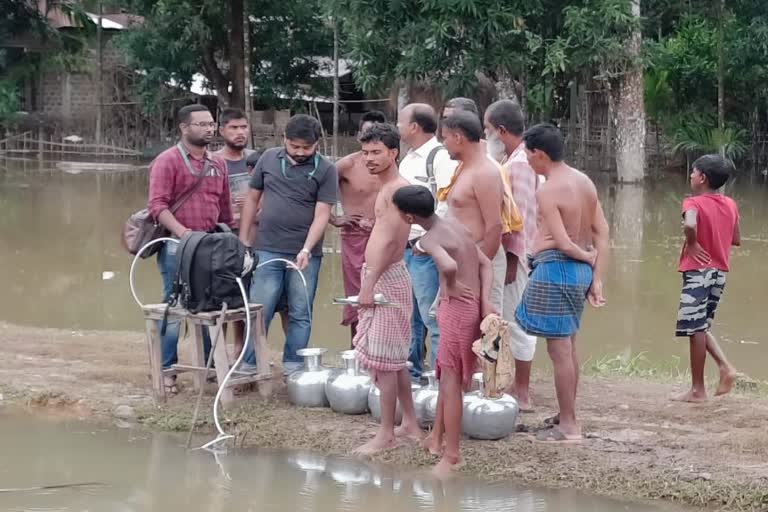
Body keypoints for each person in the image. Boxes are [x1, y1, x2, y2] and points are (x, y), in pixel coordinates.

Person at [514, 123, 609, 443]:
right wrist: (596, 278)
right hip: (577, 273)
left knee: (559, 351)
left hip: (558, 269)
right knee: (568, 346)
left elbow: (565, 243)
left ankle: (568, 424)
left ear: (539, 154)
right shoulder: (584, 181)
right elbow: (603, 233)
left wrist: (586, 258)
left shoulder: (548, 189)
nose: (526, 161)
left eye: (527, 155)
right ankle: (566, 414)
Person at [392, 185, 493, 476]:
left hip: (456, 310)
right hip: (471, 304)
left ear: (408, 217)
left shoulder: (431, 237)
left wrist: (449, 284)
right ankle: (436, 439)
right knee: (444, 373)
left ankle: (452, 455)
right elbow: (484, 263)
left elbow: (448, 265)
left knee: (451, 382)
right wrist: (485, 301)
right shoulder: (455, 225)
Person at [238, 114, 337, 375]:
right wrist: (243, 240)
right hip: (267, 248)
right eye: (295, 146)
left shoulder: (326, 170)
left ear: (317, 143)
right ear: (284, 140)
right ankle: (250, 363)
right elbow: (251, 199)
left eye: (307, 147)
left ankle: (294, 367)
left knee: (300, 311)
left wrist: (306, 249)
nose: (301, 152)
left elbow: (323, 214)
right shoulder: (268, 159)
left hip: (306, 254)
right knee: (260, 309)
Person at [147, 104, 233, 394]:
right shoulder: (167, 161)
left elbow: (224, 208)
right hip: (176, 247)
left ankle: (210, 367)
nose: (209, 128)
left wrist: (229, 239)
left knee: (210, 304)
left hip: (211, 247)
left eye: (211, 124)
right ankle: (167, 370)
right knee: (174, 307)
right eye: (201, 124)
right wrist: (183, 233)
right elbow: (157, 206)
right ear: (184, 128)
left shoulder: (217, 163)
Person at [352, 123, 420, 455]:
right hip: (381, 274)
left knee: (384, 361)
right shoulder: (388, 187)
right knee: (394, 357)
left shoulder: (396, 189)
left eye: (376, 152)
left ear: (393, 153)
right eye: (364, 153)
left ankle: (386, 433)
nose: (369, 159)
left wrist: (368, 285)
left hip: (386, 277)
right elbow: (384, 231)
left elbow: (392, 240)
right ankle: (408, 422)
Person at [397, 103, 458, 381]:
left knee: (433, 317)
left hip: (426, 250)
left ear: (413, 127)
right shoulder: (408, 159)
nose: (397, 128)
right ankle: (412, 374)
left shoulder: (440, 156)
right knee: (410, 316)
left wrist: (426, 242)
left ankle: (439, 378)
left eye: (400, 122)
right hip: (406, 248)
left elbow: (446, 203)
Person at [484, 99, 538, 412]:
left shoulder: (517, 166)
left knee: (516, 320)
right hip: (517, 254)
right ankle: (512, 384)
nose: (486, 135)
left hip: (516, 256)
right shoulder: (519, 160)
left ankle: (523, 392)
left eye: (488, 130)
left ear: (501, 131)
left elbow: (520, 219)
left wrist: (513, 260)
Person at [673, 154, 740, 403]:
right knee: (699, 325)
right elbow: (736, 239)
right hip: (719, 272)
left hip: (698, 271)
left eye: (693, 172)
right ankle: (726, 368)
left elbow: (690, 224)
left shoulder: (692, 202)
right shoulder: (731, 204)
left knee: (694, 328)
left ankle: (697, 390)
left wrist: (692, 243)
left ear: (702, 178)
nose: (690, 176)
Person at [331, 111, 387, 343]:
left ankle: (384, 350)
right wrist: (335, 219)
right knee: (357, 296)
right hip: (355, 237)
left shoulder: (394, 165)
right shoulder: (346, 165)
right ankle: (357, 352)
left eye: (378, 135)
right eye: (367, 134)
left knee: (386, 295)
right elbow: (315, 191)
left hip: (386, 238)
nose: (372, 139)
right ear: (358, 136)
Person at [215, 108, 261, 357]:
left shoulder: (259, 160)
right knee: (218, 294)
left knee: (246, 294)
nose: (240, 132)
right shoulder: (212, 161)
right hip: (221, 237)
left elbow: (271, 195)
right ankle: (216, 352)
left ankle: (240, 350)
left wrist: (257, 208)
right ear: (222, 130)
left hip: (254, 236)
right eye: (233, 127)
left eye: (243, 127)